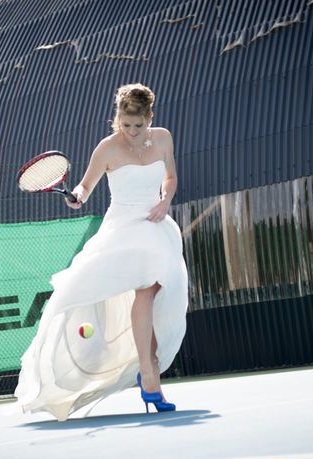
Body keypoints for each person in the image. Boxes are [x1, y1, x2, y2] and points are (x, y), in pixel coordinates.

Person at [14, 83, 188, 421]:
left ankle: (149, 372)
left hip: (156, 225)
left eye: (139, 125)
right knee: (146, 290)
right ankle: (149, 376)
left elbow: (170, 177)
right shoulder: (107, 149)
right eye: (126, 125)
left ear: (149, 117)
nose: (133, 132)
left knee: (152, 291)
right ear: (117, 120)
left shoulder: (163, 138)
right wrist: (76, 196)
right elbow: (85, 186)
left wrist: (166, 199)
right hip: (123, 228)